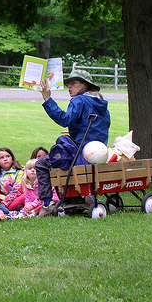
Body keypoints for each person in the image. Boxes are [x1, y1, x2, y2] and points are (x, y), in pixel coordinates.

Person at [36, 69, 110, 217]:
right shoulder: (100, 102)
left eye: (73, 83)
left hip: (79, 153)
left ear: (84, 84)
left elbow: (65, 119)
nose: (69, 86)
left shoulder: (79, 100)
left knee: (42, 163)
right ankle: (74, 198)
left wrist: (47, 99)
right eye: (68, 83)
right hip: (96, 153)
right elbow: (98, 128)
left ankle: (48, 204)